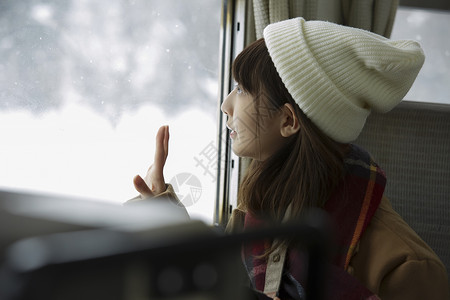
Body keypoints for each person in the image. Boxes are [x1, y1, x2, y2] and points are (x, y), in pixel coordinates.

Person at [129, 18, 449, 299]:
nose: (226, 105)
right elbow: (228, 284)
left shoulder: (407, 269)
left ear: (288, 121)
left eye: (242, 89)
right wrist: (165, 213)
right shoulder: (266, 208)